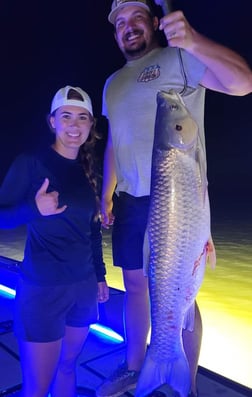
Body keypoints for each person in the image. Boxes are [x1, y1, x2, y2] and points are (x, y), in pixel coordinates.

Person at [96, 1, 252, 397]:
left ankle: (187, 380)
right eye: (120, 23)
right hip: (131, 202)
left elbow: (242, 82)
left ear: (153, 21)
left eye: (136, 18)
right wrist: (107, 194)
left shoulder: (181, 56)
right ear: (115, 34)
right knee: (135, 288)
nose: (128, 28)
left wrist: (195, 39)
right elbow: (116, 139)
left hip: (177, 201)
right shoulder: (112, 83)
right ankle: (136, 369)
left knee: (182, 291)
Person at [0, 85, 109, 397]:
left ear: (91, 125)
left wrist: (100, 275)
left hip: (84, 287)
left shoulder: (88, 170)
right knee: (36, 388)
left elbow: (91, 229)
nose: (74, 125)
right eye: (66, 116)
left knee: (67, 367)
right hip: (43, 290)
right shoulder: (32, 163)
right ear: (52, 121)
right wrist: (33, 209)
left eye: (82, 118)